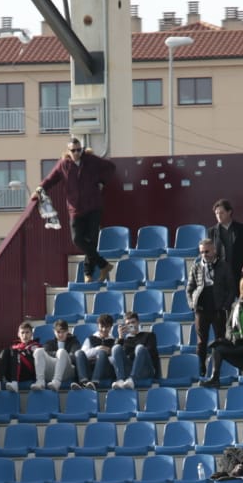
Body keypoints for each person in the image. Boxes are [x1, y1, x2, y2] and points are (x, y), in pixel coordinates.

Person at [33, 137, 119, 282]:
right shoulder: (63, 165)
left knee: (91, 241)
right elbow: (50, 179)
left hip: (93, 207)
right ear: (68, 151)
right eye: (74, 150)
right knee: (77, 239)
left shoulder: (91, 160)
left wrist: (102, 181)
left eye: (79, 149)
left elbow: (111, 167)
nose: (77, 153)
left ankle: (88, 274)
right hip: (75, 209)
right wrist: (39, 189)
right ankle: (103, 265)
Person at [185, 237, 234, 381]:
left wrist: (226, 305)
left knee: (220, 340)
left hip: (218, 308)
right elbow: (189, 288)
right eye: (201, 252)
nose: (204, 255)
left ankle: (217, 369)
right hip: (201, 307)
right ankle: (201, 366)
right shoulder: (196, 266)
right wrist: (192, 304)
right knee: (201, 341)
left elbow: (231, 288)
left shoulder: (224, 266)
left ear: (214, 250)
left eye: (207, 251)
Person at [208, 198, 243, 286]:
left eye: (221, 213)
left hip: (239, 271)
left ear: (229, 212)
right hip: (220, 273)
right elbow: (209, 252)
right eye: (216, 213)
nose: (219, 216)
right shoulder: (211, 232)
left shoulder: (241, 229)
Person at [111, 310, 158, 387]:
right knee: (116, 348)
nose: (131, 325)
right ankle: (120, 380)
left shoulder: (149, 335)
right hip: (129, 370)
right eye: (128, 324)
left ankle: (132, 379)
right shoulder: (124, 340)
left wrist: (131, 354)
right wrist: (120, 338)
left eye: (133, 322)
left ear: (138, 322)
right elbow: (115, 357)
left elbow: (150, 352)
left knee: (140, 348)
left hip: (145, 369)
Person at [0, 321, 41, 391]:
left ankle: (14, 383)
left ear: (31, 334)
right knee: (5, 351)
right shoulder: (14, 347)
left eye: (27, 332)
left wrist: (22, 352)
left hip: (27, 373)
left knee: (14, 351)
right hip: (11, 373)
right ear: (18, 334)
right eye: (22, 333)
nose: (25, 335)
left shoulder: (36, 346)